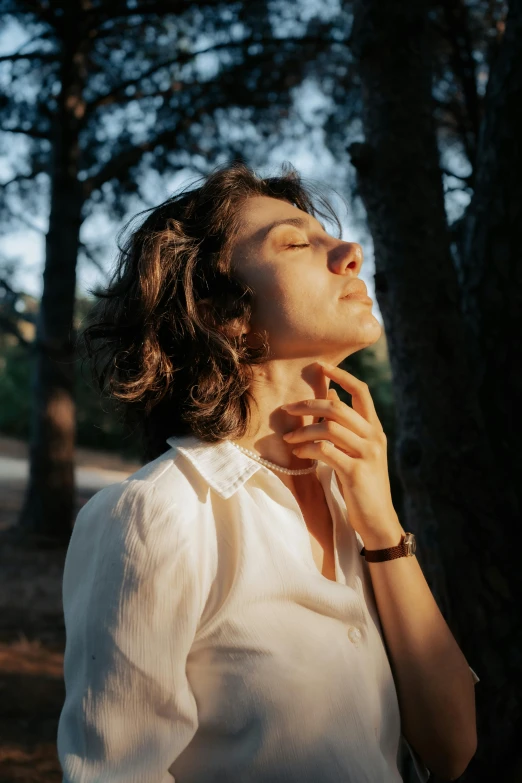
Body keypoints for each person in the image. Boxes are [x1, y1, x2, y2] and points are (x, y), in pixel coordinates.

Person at [57, 161, 479, 782]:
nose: (351, 251)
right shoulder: (158, 513)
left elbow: (452, 748)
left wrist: (382, 524)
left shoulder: (352, 500)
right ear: (225, 313)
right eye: (295, 243)